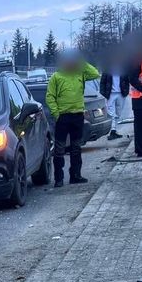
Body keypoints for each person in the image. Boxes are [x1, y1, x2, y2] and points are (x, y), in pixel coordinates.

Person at [45, 49, 101, 186]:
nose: (70, 63)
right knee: (59, 149)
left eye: (72, 61)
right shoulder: (56, 77)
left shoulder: (80, 73)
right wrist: (56, 114)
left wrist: (82, 62)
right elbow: (50, 97)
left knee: (76, 147)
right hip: (63, 117)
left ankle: (75, 175)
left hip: (78, 116)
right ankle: (58, 179)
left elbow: (95, 73)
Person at [99, 59, 129, 140]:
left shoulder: (123, 69)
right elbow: (102, 82)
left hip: (121, 94)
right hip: (110, 94)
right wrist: (104, 94)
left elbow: (127, 80)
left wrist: (126, 91)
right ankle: (112, 130)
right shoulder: (107, 69)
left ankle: (114, 130)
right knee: (111, 113)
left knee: (118, 113)